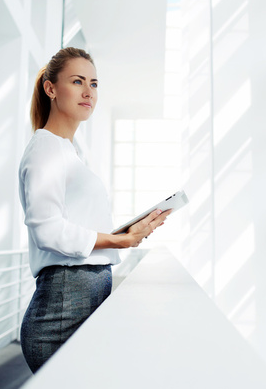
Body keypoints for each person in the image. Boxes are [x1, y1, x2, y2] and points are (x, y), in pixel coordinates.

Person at [18, 47, 169, 373]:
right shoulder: (45, 148)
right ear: (51, 89)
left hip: (80, 302)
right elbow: (47, 230)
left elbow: (76, 224)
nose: (89, 92)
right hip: (60, 314)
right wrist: (120, 241)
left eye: (94, 83)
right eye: (77, 81)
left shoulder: (66, 153)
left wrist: (130, 233)